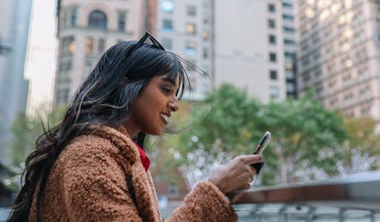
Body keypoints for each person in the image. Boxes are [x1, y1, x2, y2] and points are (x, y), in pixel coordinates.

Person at [8, 32, 262, 221]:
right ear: (124, 85)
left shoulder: (113, 154)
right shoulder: (90, 157)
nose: (174, 105)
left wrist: (222, 192)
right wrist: (214, 189)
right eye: (166, 90)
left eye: (176, 94)